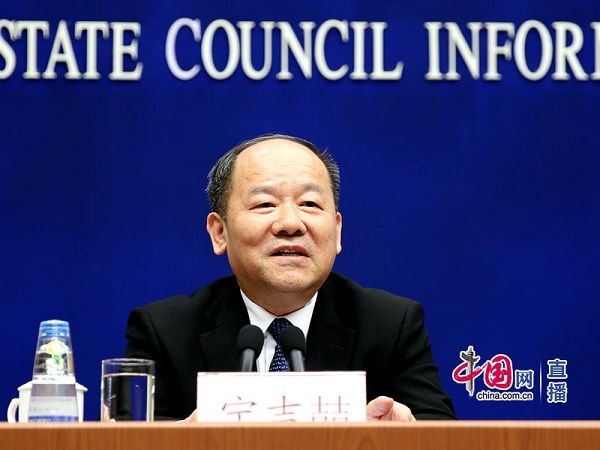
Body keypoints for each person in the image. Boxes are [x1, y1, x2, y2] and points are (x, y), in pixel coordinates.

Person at [123, 133, 456, 421]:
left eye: (309, 203)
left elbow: (442, 434)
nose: (291, 224)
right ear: (219, 232)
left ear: (337, 231)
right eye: (265, 204)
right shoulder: (164, 331)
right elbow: (124, 439)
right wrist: (186, 439)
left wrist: (402, 436)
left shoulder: (391, 325)